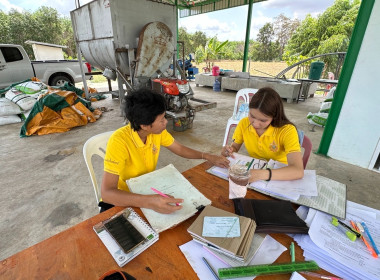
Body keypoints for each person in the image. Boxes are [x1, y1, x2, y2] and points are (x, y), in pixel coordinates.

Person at [100, 88, 229, 213]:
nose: (166, 122)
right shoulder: (119, 142)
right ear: (144, 125)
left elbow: (178, 148)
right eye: (161, 120)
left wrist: (206, 156)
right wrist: (149, 201)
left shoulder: (157, 132)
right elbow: (107, 194)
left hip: (146, 190)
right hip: (123, 199)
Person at [221, 87, 304, 183]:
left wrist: (260, 174)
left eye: (263, 120)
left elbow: (298, 171)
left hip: (279, 175)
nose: (255, 124)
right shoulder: (244, 123)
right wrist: (228, 151)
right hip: (254, 170)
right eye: (252, 116)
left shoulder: (287, 130)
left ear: (274, 117)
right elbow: (234, 147)